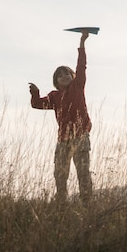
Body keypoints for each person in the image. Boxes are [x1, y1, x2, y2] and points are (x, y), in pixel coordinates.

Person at [29, 30, 93, 205]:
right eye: (60, 75)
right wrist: (35, 93)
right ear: (56, 81)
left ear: (73, 77)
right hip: (63, 140)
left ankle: (87, 204)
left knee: (83, 173)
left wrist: (82, 42)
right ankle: (61, 205)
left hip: (80, 137)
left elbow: (81, 66)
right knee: (60, 174)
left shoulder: (78, 86)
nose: (64, 76)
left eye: (67, 73)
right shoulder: (54, 96)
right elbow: (37, 104)